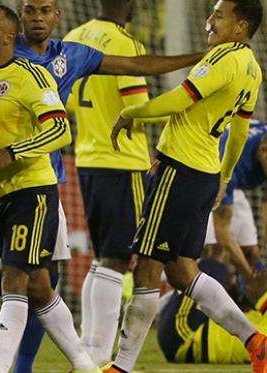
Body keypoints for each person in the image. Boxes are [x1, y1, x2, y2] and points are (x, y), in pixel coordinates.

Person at [0, 1, 204, 372]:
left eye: (45, 10)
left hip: (44, 180)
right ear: (19, 20)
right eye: (30, 10)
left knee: (26, 276)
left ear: (57, 15)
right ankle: (85, 361)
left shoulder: (67, 55)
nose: (38, 18)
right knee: (39, 283)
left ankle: (12, 366)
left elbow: (134, 67)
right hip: (6, 183)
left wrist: (200, 60)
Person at [106, 1, 266, 372]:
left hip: (180, 170)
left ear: (241, 26)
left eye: (219, 15)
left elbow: (180, 100)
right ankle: (256, 342)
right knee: (181, 271)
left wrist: (132, 112)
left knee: (146, 265)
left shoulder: (223, 58)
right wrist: (224, 178)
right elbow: (239, 131)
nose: (210, 21)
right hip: (204, 172)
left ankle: (121, 367)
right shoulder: (252, 69)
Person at [0, 5, 100, 373]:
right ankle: (86, 364)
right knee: (38, 286)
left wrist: (12, 151)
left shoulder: (31, 77)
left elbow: (60, 129)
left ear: (6, 37)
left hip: (32, 191)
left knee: (13, 278)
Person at [63, 0, 151, 365]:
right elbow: (139, 107)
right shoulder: (125, 45)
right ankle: (99, 351)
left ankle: (88, 341)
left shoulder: (73, 37)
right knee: (117, 259)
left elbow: (64, 99)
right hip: (123, 160)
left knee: (103, 259)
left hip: (86, 157)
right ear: (129, 4)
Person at [158, 258, 267, 365]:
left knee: (211, 268)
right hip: (193, 335)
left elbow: (255, 293)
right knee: (212, 273)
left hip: (184, 336)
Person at [204, 120, 267, 277]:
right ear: (263, 150)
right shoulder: (233, 164)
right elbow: (222, 232)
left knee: (252, 251)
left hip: (234, 185)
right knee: (216, 248)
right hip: (209, 177)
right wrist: (248, 275)